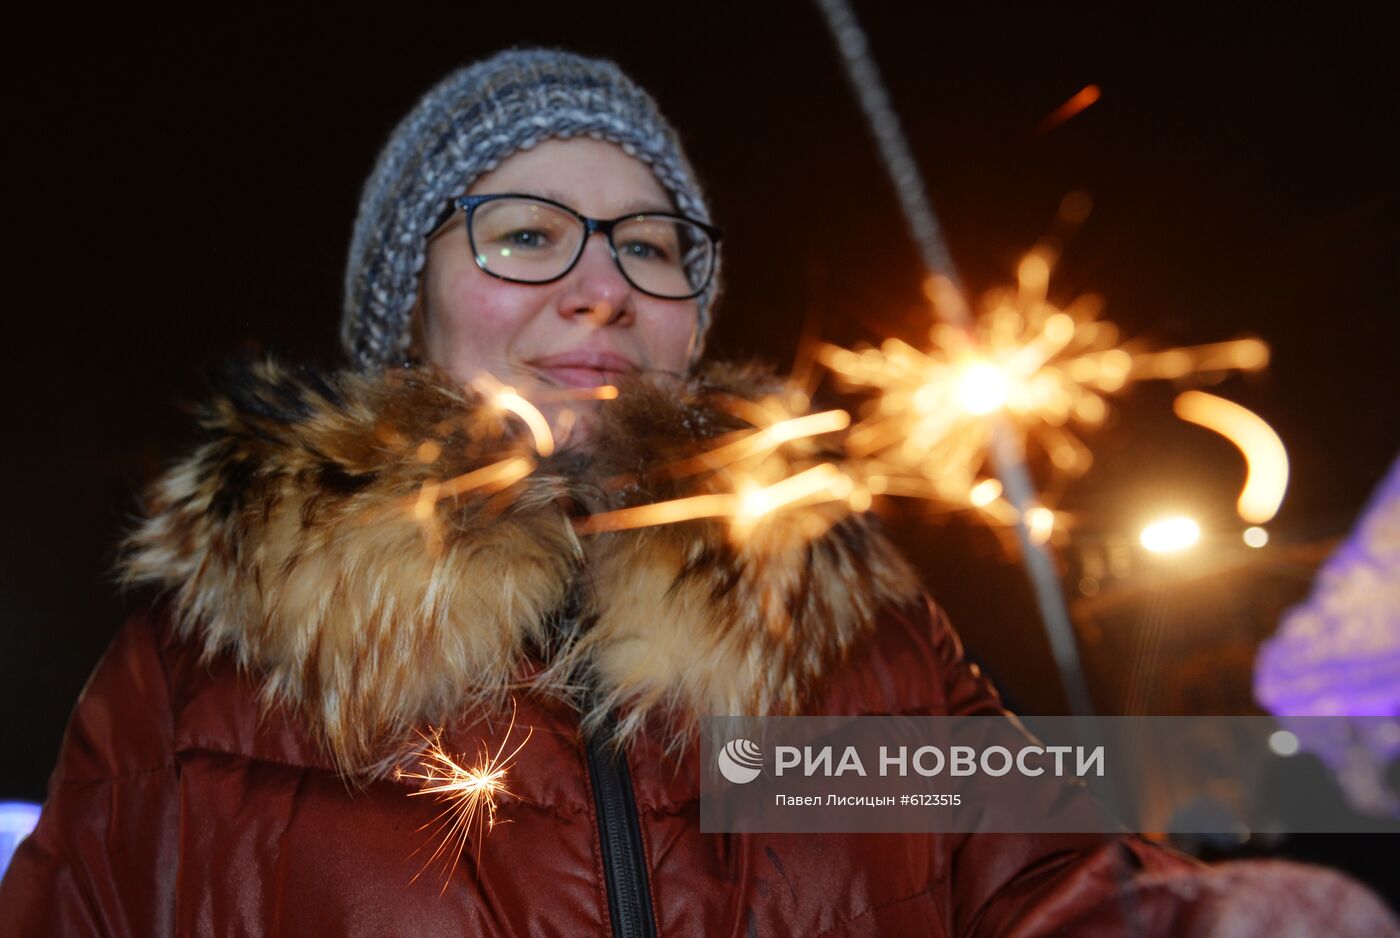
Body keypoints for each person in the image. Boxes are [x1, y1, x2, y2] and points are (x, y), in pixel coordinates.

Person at [1, 48, 1394, 937]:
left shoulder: (855, 641)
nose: (602, 282)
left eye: (653, 246)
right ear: (407, 306)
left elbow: (1048, 892)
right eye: (528, 232)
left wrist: (1219, 917)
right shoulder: (201, 673)